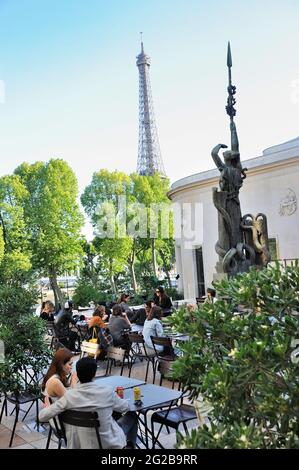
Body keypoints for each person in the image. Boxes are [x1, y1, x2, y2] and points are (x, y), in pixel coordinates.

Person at [39, 357, 138, 449]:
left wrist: (48, 407)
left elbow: (42, 416)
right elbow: (125, 407)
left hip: (80, 444)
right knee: (132, 415)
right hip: (108, 443)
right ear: (94, 374)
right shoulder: (106, 392)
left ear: (77, 374)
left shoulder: (69, 397)